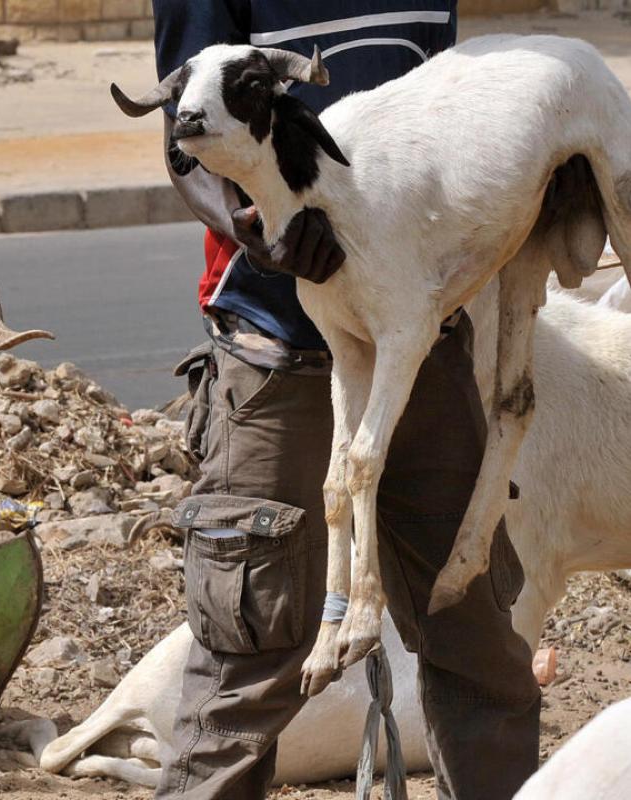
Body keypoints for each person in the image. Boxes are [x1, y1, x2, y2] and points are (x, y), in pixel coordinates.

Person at [153, 3, 544, 799]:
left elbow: (446, 124)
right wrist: (257, 233)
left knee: (476, 642)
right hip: (275, 356)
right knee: (248, 656)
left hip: (419, 350)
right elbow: (187, 140)